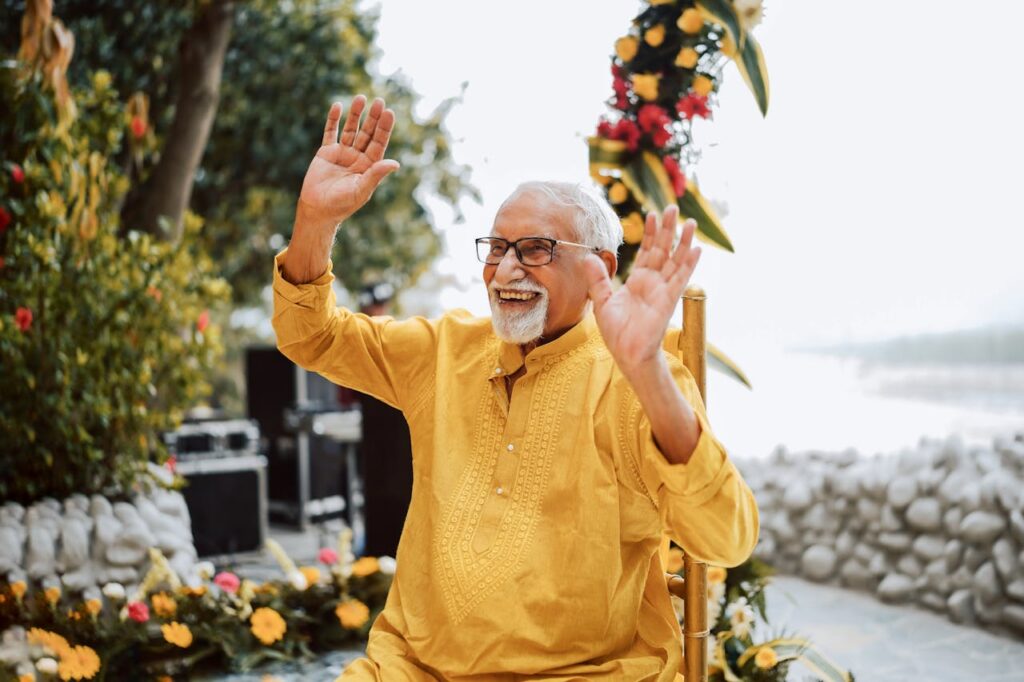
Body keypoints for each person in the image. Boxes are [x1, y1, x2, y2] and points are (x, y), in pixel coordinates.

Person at [273, 95, 759, 681]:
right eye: (497, 248)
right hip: (410, 668)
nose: (505, 271)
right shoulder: (445, 349)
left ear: (598, 266)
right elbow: (311, 336)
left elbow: (726, 539)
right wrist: (316, 222)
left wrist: (648, 369)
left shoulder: (638, 378)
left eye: (535, 250)